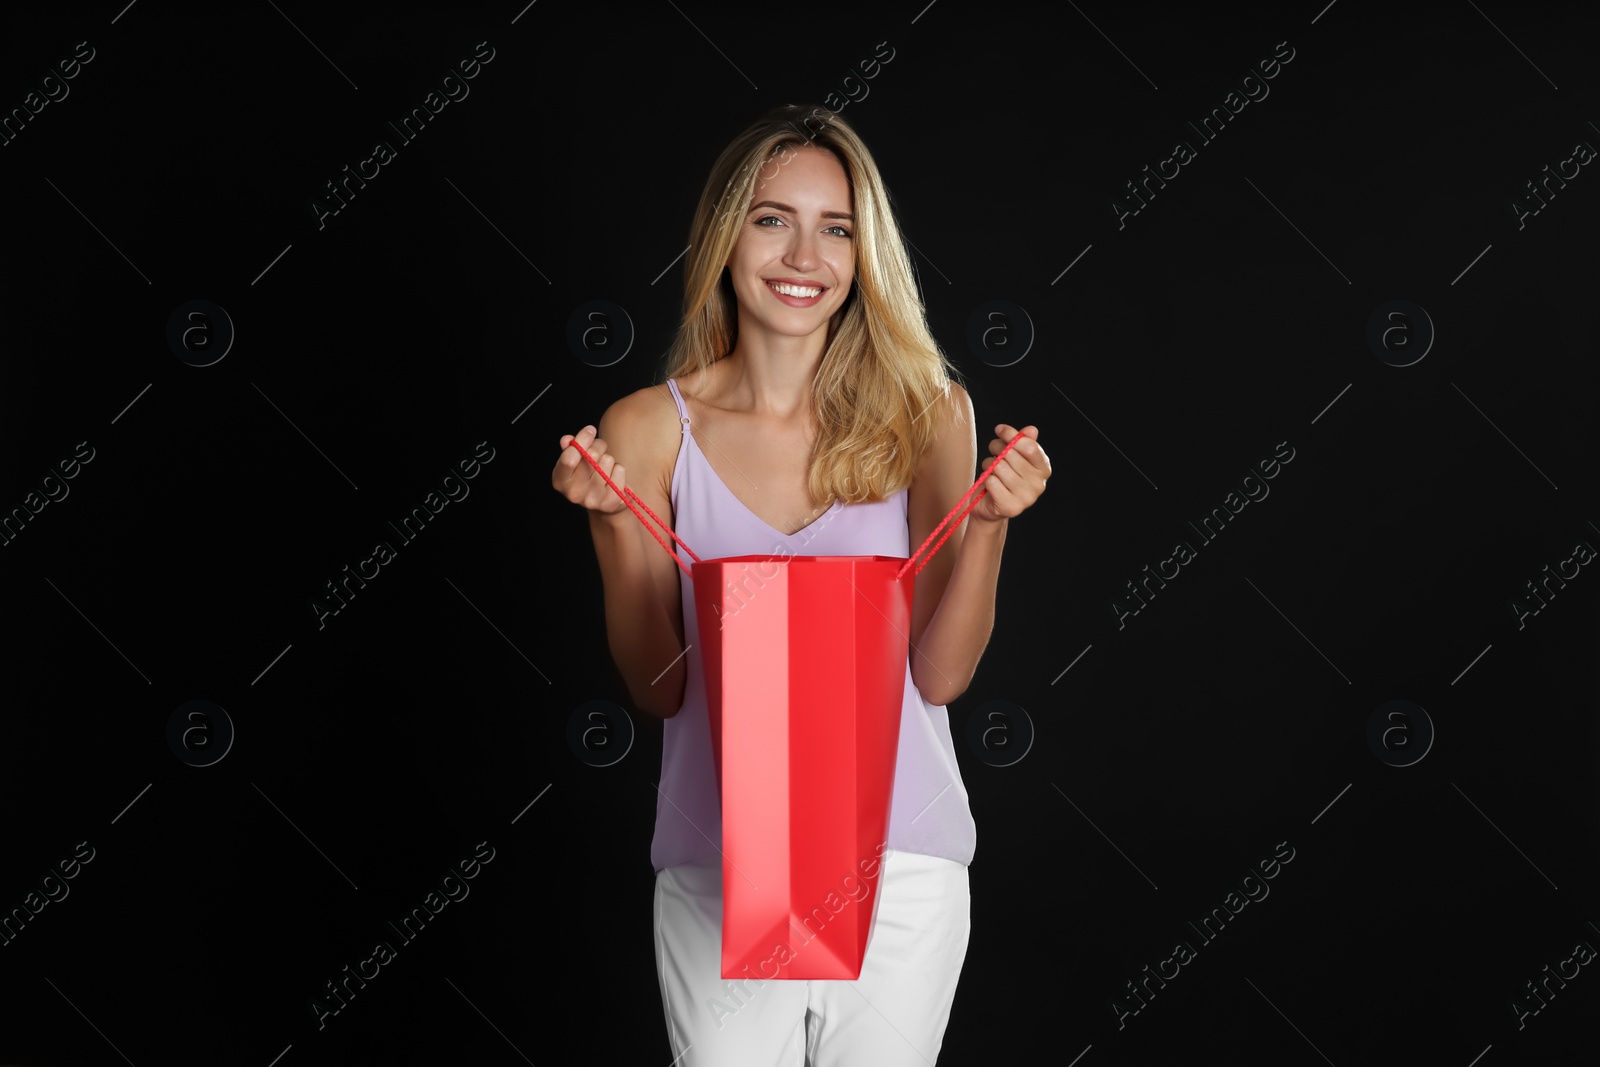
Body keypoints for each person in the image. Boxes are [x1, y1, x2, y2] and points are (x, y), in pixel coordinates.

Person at [551, 104, 1050, 1066]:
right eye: (773, 217)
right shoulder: (652, 426)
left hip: (900, 865)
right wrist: (613, 522)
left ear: (866, 253)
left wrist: (987, 527)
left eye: (837, 227)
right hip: (721, 863)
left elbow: (940, 676)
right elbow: (659, 688)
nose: (803, 255)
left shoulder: (927, 413)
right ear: (724, 233)